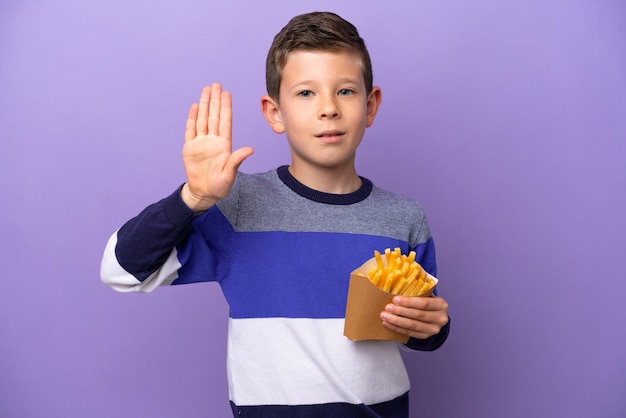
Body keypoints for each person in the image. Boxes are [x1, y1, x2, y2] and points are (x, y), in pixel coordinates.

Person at [100, 11, 450, 418]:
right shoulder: (237, 208)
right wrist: (193, 197)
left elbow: (420, 325)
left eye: (346, 91)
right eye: (306, 93)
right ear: (274, 113)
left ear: (370, 105)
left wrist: (435, 328)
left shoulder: (404, 217)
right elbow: (119, 271)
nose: (328, 109)